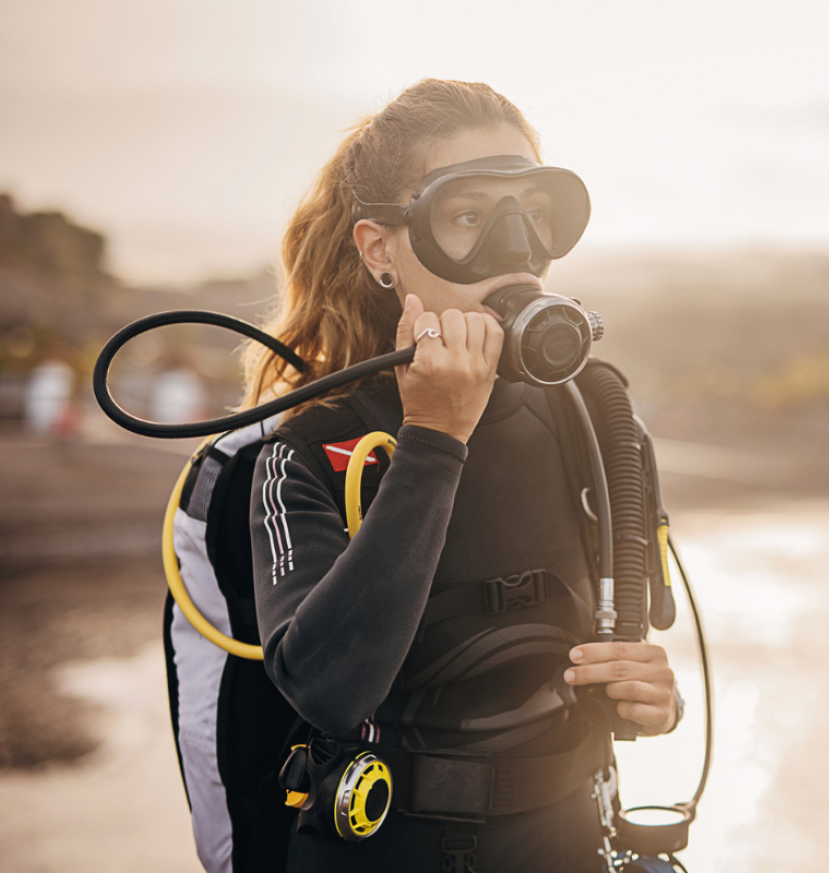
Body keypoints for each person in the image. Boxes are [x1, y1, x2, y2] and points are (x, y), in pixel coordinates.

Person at [241, 79, 677, 873]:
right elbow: (327, 688)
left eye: (533, 213)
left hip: (568, 841)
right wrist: (436, 436)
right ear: (381, 248)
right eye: (469, 216)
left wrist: (655, 699)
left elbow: (622, 655)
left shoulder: (601, 422)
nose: (515, 248)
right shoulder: (308, 451)